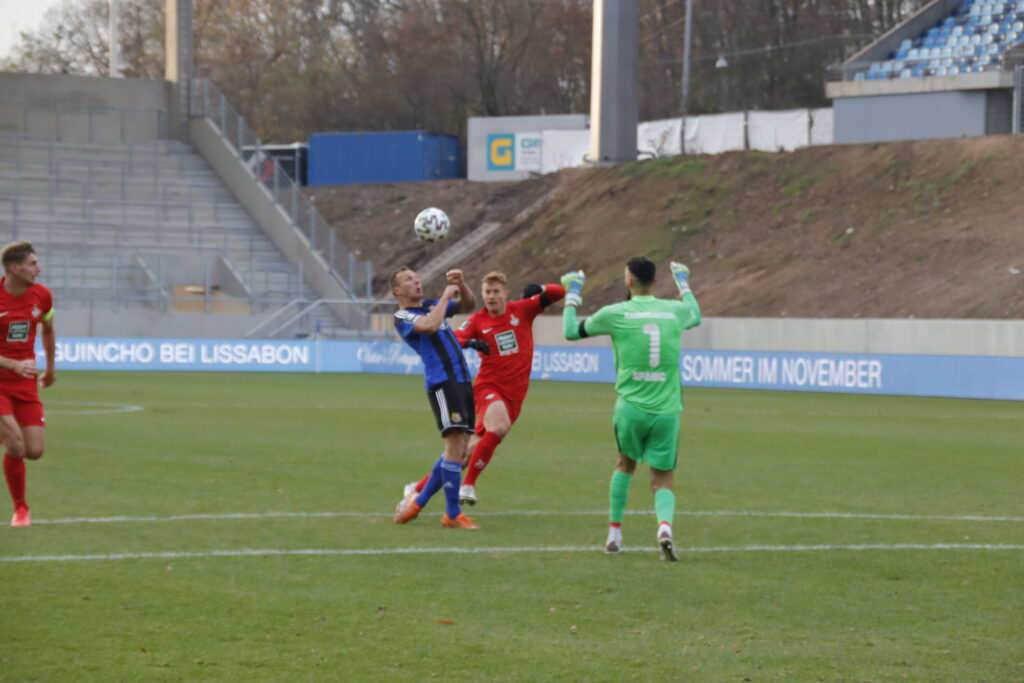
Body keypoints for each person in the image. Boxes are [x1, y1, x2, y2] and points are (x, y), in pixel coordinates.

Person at [561, 258, 701, 561]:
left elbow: (570, 331)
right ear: (654, 282)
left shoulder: (615, 313)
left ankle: (614, 534)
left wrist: (572, 292)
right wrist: (684, 283)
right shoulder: (673, 310)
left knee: (624, 465)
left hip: (631, 408)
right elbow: (696, 315)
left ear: (628, 281)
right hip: (666, 411)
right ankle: (664, 527)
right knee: (662, 478)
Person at [401, 272, 565, 508]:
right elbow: (454, 337)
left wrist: (539, 287)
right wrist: (468, 342)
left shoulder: (522, 310)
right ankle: (467, 486)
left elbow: (559, 292)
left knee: (463, 456)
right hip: (488, 388)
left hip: (515, 396)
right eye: (487, 292)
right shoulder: (478, 321)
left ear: (505, 294)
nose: (491, 296)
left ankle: (416, 489)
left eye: (496, 291)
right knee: (499, 427)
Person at [391, 266, 479, 529]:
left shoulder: (431, 305)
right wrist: (444, 297)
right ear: (397, 291)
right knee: (454, 449)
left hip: (462, 381)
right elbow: (428, 326)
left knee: (461, 453)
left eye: (417, 278)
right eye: (409, 279)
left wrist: (461, 285)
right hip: (443, 383)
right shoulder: (402, 315)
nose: (416, 282)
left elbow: (468, 304)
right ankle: (451, 514)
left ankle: (416, 504)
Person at [0, 241, 56, 528]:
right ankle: (21, 509)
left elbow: (47, 330)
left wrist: (50, 368)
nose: (39, 268)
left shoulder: (41, 296)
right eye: (33, 264)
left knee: (34, 451)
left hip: (24, 385)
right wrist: (11, 364)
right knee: (15, 443)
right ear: (15, 268)